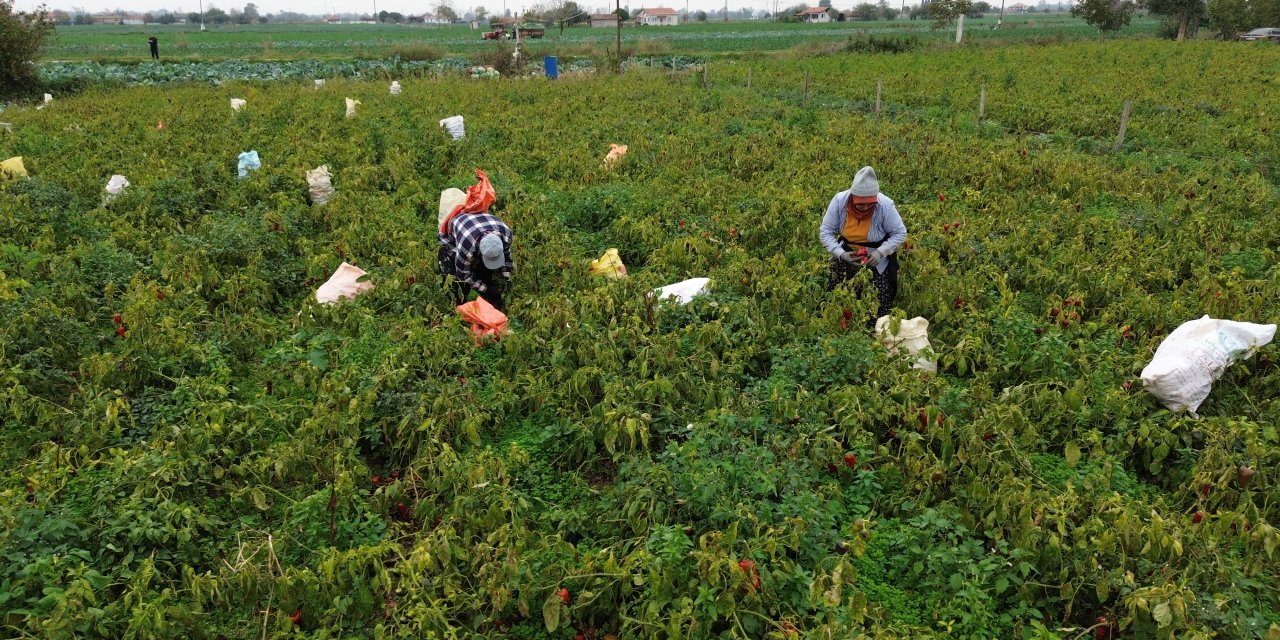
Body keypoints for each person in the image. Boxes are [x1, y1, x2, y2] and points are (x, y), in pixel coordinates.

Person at [818, 165, 907, 322]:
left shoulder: (885, 205)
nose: (866, 207)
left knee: (878, 300)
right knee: (839, 295)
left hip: (876, 257)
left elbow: (900, 233)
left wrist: (881, 252)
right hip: (848, 252)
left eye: (870, 203)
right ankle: (842, 326)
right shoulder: (840, 201)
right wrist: (841, 254)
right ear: (853, 197)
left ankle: (873, 330)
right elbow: (825, 231)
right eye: (861, 204)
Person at [439, 211, 514, 312]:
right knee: (456, 284)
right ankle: (456, 309)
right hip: (452, 239)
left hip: (476, 225)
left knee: (485, 273)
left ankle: (490, 302)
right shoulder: (467, 246)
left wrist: (506, 279)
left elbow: (507, 256)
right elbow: (463, 275)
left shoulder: (506, 234)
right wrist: (486, 290)